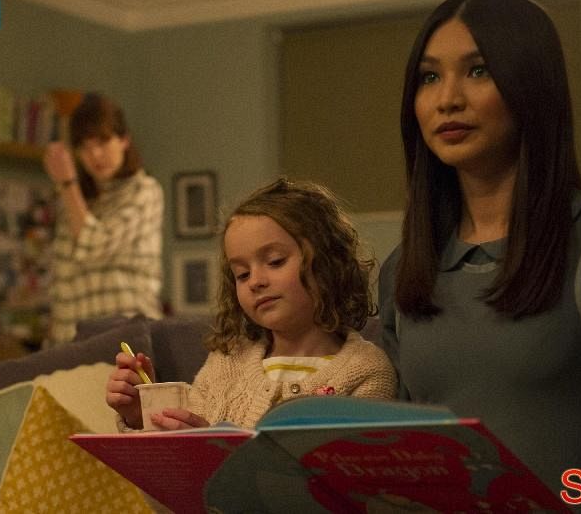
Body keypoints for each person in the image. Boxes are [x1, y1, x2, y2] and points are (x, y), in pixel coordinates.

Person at [378, 0, 581, 512]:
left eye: (478, 71)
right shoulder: (403, 270)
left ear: (531, 86)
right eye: (428, 77)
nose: (447, 98)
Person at [107, 178, 396, 430]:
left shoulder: (367, 371)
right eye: (242, 274)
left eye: (275, 261)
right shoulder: (225, 363)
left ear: (327, 263)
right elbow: (176, 462)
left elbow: (352, 470)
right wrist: (141, 415)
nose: (255, 281)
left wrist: (219, 450)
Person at [42, 93, 163, 345]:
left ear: (124, 140)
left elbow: (94, 244)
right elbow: (62, 280)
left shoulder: (144, 191)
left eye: (103, 142)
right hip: (72, 343)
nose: (95, 154)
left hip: (127, 340)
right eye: (85, 147)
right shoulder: (75, 203)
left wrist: (67, 184)